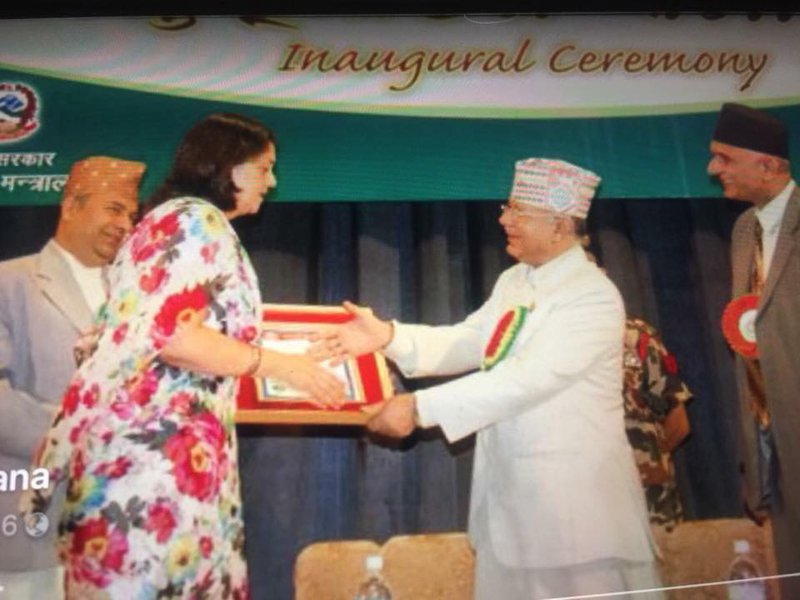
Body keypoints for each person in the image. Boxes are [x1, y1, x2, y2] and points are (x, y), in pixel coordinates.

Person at [20, 113, 346, 599]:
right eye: (266, 168)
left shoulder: (167, 221)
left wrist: (275, 354)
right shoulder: (196, 221)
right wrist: (283, 365)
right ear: (234, 169)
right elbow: (174, 337)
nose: (273, 182)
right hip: (152, 471)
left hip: (150, 460)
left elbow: (156, 333)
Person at [318, 159, 662, 599]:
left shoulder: (591, 296)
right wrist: (386, 336)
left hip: (575, 524)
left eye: (518, 211)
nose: (503, 219)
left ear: (559, 226)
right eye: (507, 207)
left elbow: (526, 379)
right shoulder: (515, 281)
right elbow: (472, 341)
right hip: (511, 513)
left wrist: (418, 408)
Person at [0, 155, 143, 599]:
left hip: (122, 523)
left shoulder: (137, 297)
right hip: (31, 518)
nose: (125, 224)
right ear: (70, 206)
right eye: (114, 208)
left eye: (132, 215)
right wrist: (84, 438)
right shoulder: (9, 282)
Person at [708, 102, 800, 597]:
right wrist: (754, 447)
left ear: (767, 165)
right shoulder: (745, 230)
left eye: (723, 158)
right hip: (776, 448)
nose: (712, 169)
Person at [622, 317, 692, 532]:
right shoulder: (543, 340)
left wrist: (649, 465)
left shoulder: (636, 335)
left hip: (653, 507)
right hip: (587, 506)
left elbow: (679, 425)